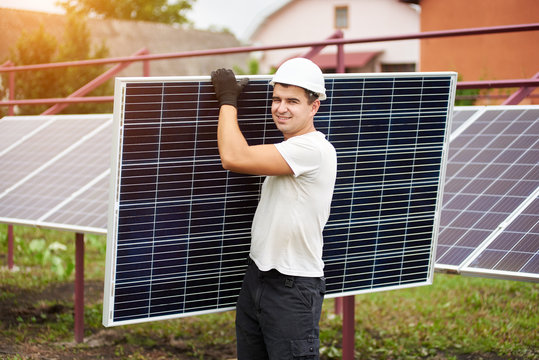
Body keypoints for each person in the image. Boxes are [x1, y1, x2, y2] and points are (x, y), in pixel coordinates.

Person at [210, 57, 337, 360]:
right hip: (258, 278)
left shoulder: (313, 150)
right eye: (276, 99)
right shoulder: (287, 150)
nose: (281, 108)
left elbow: (233, 157)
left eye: (292, 101)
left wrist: (228, 100)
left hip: (292, 289)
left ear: (314, 106)